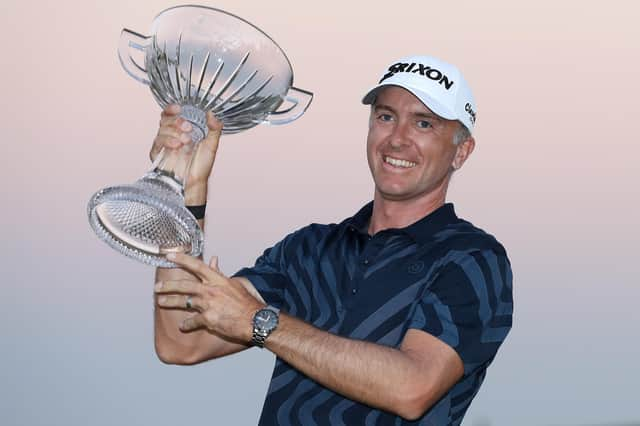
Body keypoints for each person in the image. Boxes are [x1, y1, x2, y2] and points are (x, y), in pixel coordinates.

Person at [152, 55, 513, 425]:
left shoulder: (472, 259)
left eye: (423, 123)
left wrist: (259, 321)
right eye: (386, 116)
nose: (398, 139)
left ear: (462, 151)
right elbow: (180, 342)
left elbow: (413, 388)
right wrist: (183, 191)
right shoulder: (308, 250)